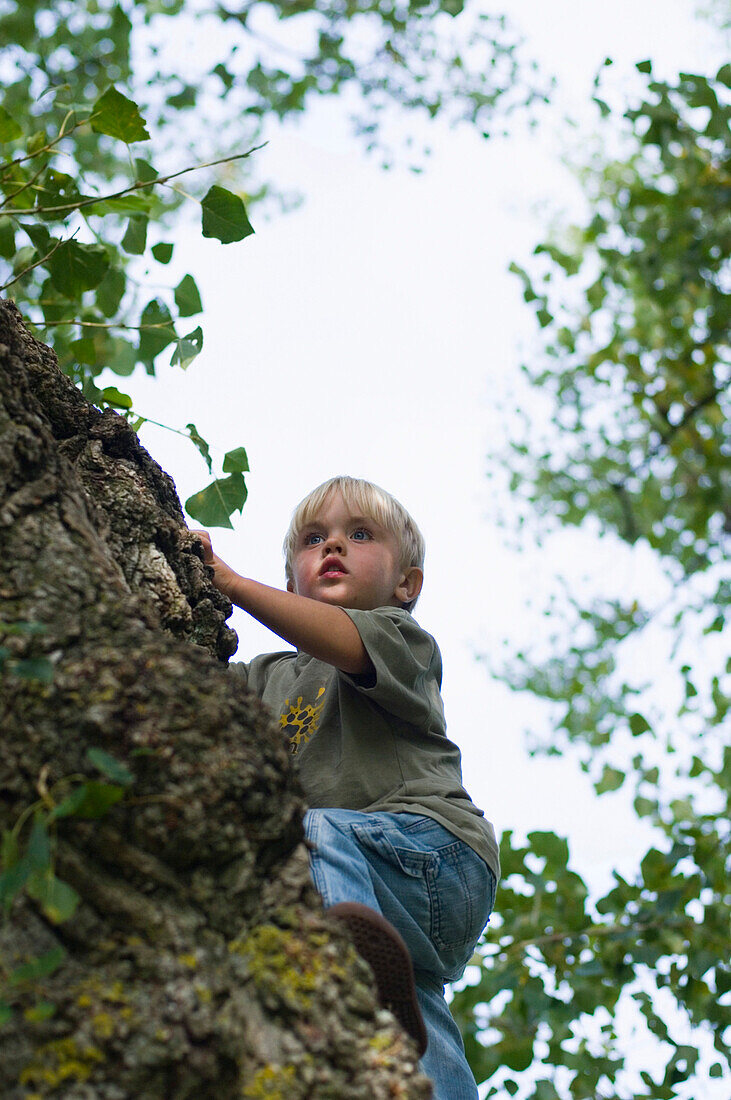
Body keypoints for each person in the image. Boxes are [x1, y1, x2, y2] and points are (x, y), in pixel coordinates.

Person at [196, 476, 499, 1099]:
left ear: (405, 584)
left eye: (358, 535)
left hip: (435, 858)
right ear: (292, 583)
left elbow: (341, 641)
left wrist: (230, 584)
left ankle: (337, 976)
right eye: (313, 540)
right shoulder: (264, 677)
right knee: (416, 1012)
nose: (333, 547)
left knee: (305, 833)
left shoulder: (398, 637)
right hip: (378, 903)